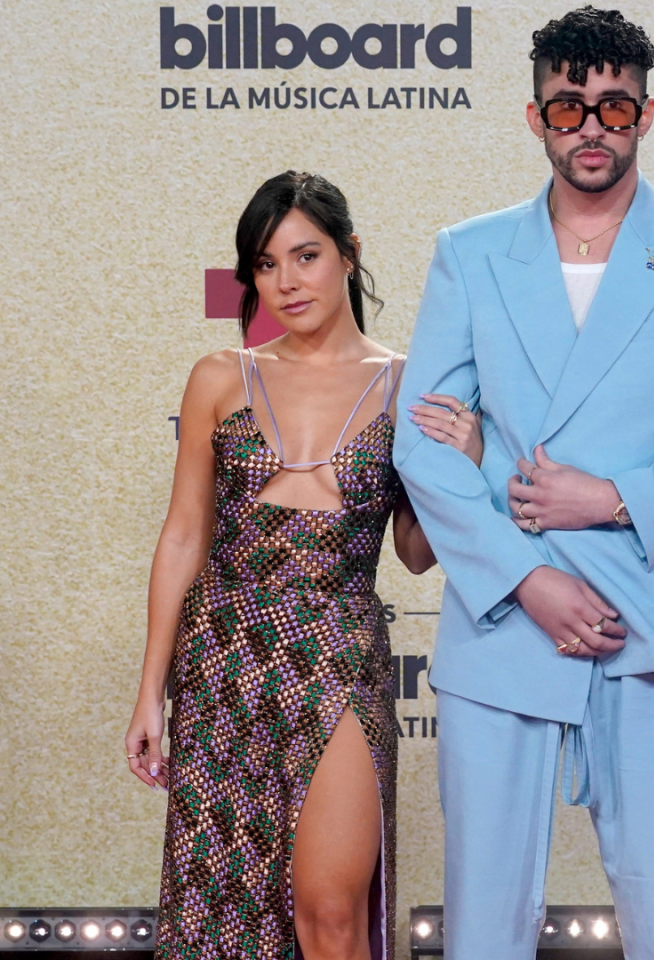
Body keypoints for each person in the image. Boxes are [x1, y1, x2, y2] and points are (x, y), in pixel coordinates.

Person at [395, 7, 654, 960]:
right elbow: (421, 452)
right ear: (535, 116)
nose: (590, 129)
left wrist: (611, 497)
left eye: (613, 109)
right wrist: (529, 579)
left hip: (653, 619)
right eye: (569, 108)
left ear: (646, 116)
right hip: (504, 617)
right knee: (482, 925)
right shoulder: (471, 253)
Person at [124, 171, 482, 960]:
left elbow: (416, 555)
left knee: (330, 909)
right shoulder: (221, 376)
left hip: (339, 654)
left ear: (349, 256)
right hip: (223, 660)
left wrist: (468, 463)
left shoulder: (405, 387)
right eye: (264, 264)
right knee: (225, 913)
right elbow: (184, 535)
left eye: (306, 255)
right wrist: (152, 690)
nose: (286, 282)